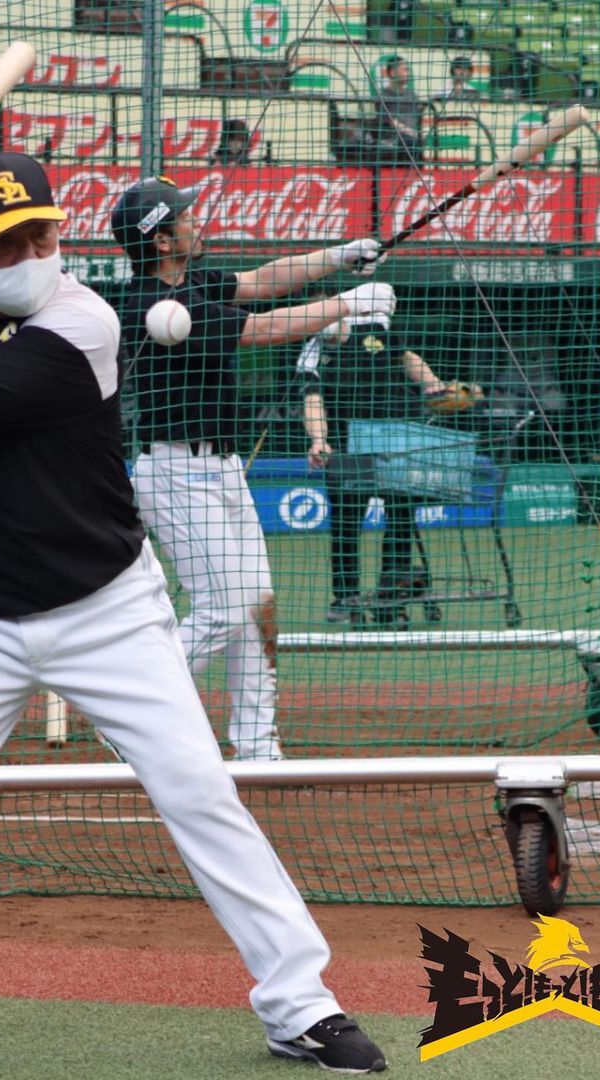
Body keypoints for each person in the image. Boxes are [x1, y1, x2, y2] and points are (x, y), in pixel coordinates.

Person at [0, 151, 387, 1074]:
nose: (28, 254)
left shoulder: (85, 320)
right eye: (2, 243)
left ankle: (301, 1005)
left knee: (199, 791)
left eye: (40, 234)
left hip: (107, 611)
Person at [110, 175, 385, 761]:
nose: (196, 220)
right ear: (160, 241)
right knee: (224, 607)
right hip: (174, 471)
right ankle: (127, 715)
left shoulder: (194, 281)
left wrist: (340, 256)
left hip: (223, 467)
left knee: (257, 603)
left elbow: (265, 279)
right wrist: (348, 305)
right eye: (184, 217)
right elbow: (263, 328)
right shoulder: (153, 304)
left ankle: (257, 744)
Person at [298, 294, 472, 627]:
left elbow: (406, 357)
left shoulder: (375, 329)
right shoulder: (311, 357)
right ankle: (346, 598)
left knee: (401, 518)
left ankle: (393, 595)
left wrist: (435, 385)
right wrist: (319, 439)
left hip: (398, 439)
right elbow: (313, 400)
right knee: (346, 523)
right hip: (349, 448)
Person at [373, 54, 422, 165]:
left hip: (413, 137)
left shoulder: (412, 95)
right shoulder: (383, 95)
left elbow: (419, 118)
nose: (408, 74)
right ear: (392, 73)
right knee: (411, 142)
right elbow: (391, 122)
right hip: (393, 138)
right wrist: (413, 133)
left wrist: (419, 133)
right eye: (404, 70)